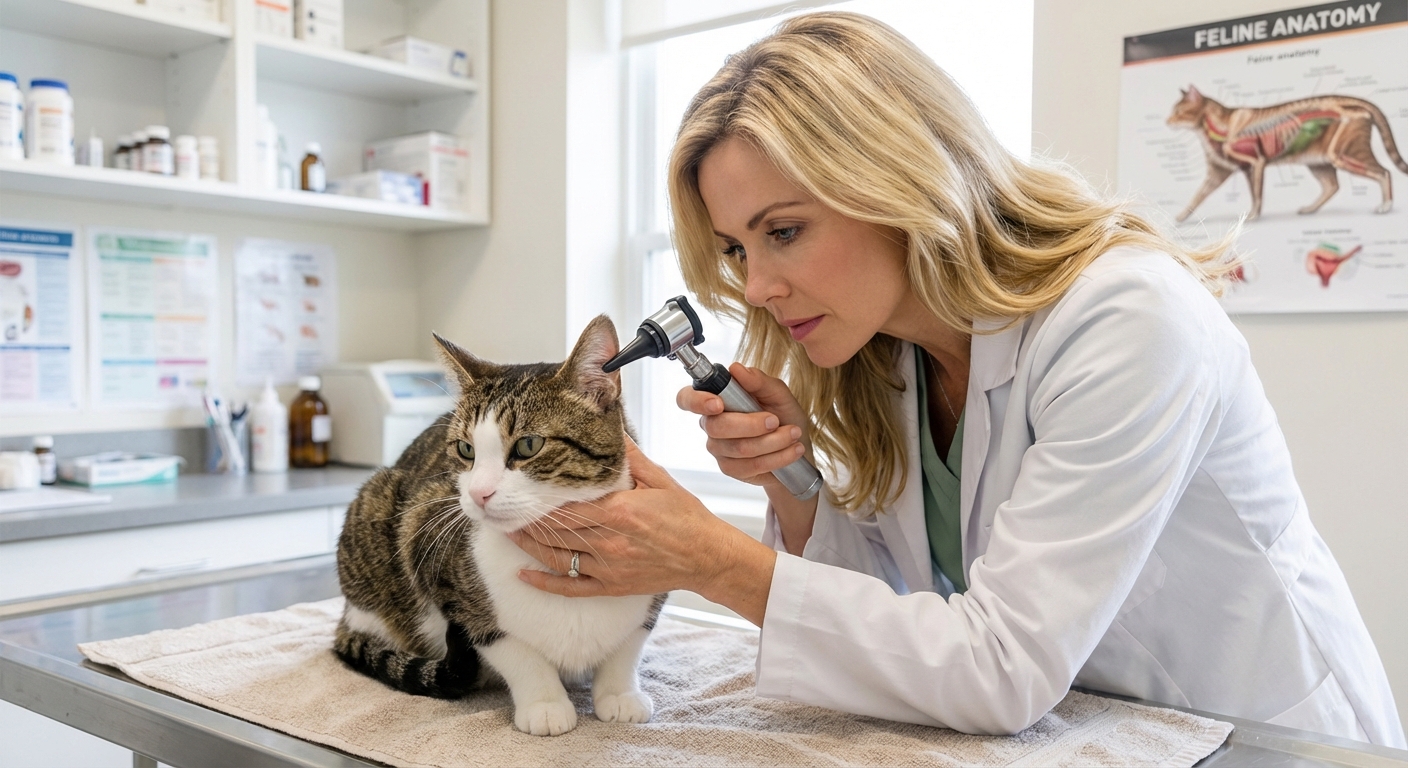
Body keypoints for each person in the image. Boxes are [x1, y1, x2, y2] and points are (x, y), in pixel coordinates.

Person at [509, 12, 1405, 746]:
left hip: (1262, 735)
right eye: (738, 249)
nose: (758, 288)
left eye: (783, 231)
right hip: (1107, 731)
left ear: (896, 178)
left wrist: (708, 560)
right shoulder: (895, 353)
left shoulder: (1127, 318)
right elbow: (903, 607)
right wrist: (793, 487)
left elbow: (1000, 666)